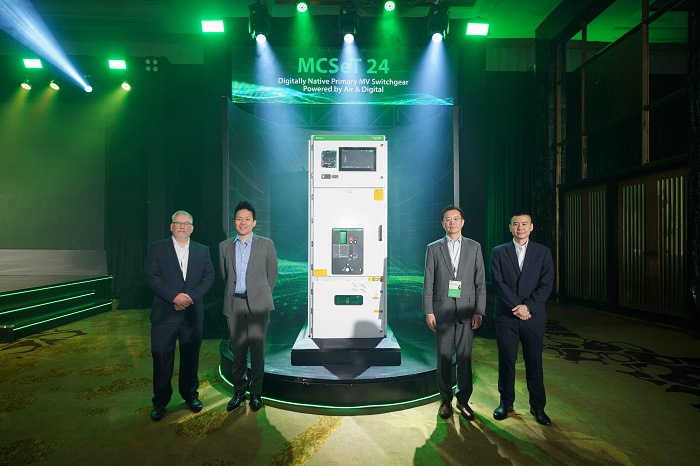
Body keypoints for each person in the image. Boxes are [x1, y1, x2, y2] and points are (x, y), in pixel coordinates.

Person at [144, 210, 215, 421]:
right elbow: (150, 276)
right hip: (164, 315)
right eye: (178, 223)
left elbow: (209, 276)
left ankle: (190, 395)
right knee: (161, 359)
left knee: (191, 359)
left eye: (186, 223)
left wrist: (190, 297)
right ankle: (160, 401)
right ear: (171, 227)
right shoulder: (157, 248)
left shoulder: (203, 250)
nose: (182, 226)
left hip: (192, 315)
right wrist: (173, 297)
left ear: (192, 228)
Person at [490, 211, 554, 425]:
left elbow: (546, 285)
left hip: (533, 317)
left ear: (531, 227)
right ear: (510, 228)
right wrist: (516, 307)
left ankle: (538, 407)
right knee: (506, 361)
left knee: (534, 363)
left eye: (524, 224)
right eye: (516, 224)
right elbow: (497, 282)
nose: (520, 228)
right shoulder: (498, 252)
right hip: (506, 316)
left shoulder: (543, 252)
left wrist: (528, 307)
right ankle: (505, 403)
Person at [423, 205, 486, 421]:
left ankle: (463, 400)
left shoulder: (474, 247)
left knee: (465, 358)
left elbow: (480, 282)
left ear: (462, 222)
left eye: (456, 218)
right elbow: (428, 282)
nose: (452, 222)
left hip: (467, 312)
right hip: (442, 312)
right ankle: (445, 400)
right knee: (443, 358)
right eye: (448, 219)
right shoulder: (433, 248)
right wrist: (429, 311)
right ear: (443, 223)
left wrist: (479, 310)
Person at [220, 201, 278, 412]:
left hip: (258, 306)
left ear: (254, 222)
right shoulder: (224, 246)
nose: (242, 222)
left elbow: (272, 274)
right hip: (234, 304)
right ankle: (238, 392)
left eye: (247, 219)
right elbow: (225, 275)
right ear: (234, 221)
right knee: (238, 350)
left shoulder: (266, 244)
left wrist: (259, 294)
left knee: (257, 350)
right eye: (239, 219)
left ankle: (255, 393)